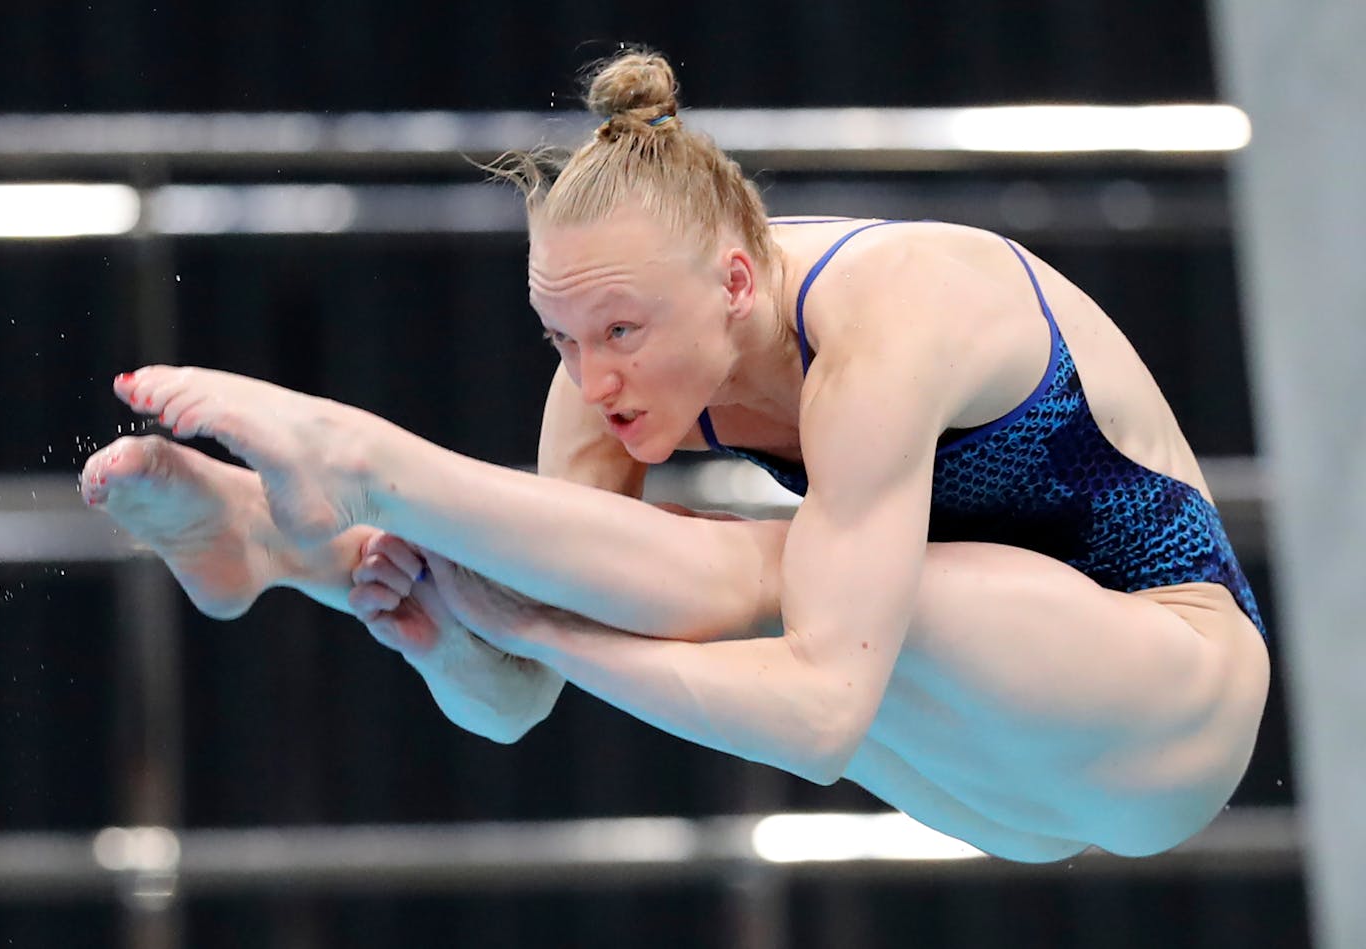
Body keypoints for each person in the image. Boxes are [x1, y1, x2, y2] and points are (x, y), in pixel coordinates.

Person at [80, 49, 1269, 864]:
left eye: (618, 334)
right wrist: (450, 636)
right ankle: (285, 551)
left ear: (735, 281)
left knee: (757, 580)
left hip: (1167, 701)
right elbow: (511, 710)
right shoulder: (604, 376)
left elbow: (814, 711)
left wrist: (540, 621)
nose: (594, 378)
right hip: (1004, 785)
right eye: (560, 338)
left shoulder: (888, 318)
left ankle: (359, 466)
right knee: (648, 573)